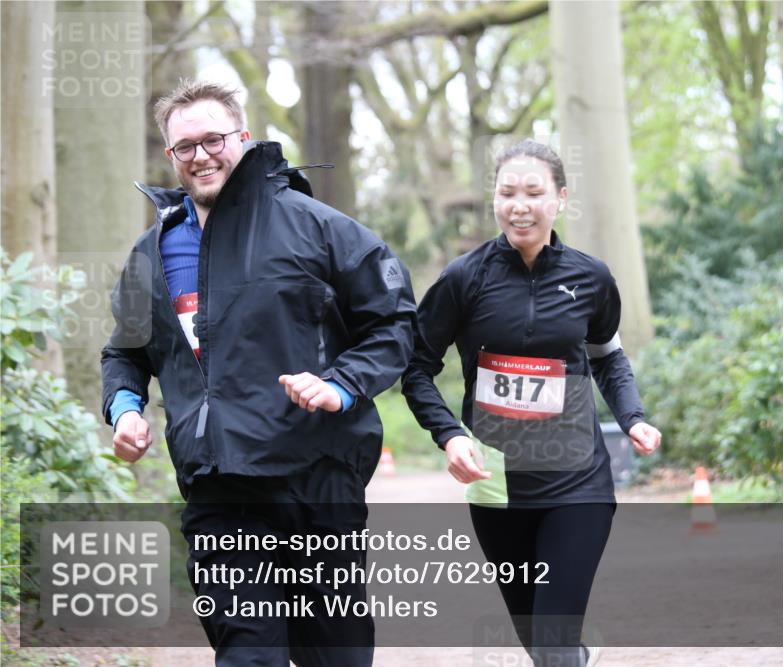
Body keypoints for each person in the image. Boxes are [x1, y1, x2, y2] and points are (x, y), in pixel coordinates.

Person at [100, 79, 416, 667]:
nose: (200, 155)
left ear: (243, 138)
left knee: (336, 656)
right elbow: (125, 351)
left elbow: (395, 323)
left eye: (213, 139)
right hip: (218, 484)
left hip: (317, 474)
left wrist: (341, 385)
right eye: (184, 146)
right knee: (250, 656)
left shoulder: (319, 227)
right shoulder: (152, 252)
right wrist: (124, 410)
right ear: (170, 156)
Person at [402, 139, 661, 667]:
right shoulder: (462, 280)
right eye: (507, 192)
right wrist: (449, 435)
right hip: (497, 486)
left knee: (552, 646)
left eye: (534, 192)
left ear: (560, 198)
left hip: (577, 481)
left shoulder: (591, 278)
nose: (520, 205)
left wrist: (632, 417)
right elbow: (415, 367)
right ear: (494, 200)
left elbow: (608, 358)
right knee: (540, 644)